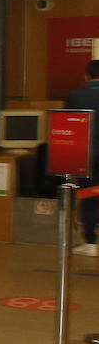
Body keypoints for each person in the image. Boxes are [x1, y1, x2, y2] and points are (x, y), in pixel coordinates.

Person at [65, 59, 99, 256]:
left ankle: (90, 242)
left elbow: (66, 125)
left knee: (88, 195)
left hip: (86, 154)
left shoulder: (75, 96)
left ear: (86, 76)